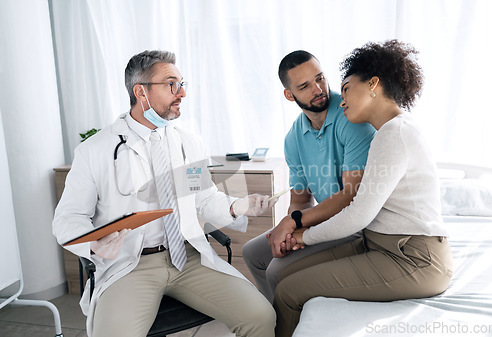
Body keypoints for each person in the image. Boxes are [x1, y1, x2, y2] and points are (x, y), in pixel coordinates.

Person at [52, 50, 277, 337]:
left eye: (183, 84)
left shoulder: (188, 144)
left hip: (188, 257)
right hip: (131, 265)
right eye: (172, 84)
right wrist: (95, 243)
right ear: (141, 92)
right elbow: (67, 219)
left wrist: (238, 207)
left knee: (260, 316)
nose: (182, 92)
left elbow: (203, 199)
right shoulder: (95, 151)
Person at [273, 40, 454, 337]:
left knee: (289, 291)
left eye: (345, 89)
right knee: (284, 274)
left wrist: (301, 235)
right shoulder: (389, 132)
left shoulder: (395, 134)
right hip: (379, 243)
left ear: (373, 84)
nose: (339, 100)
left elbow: (357, 213)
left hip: (414, 258)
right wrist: (298, 232)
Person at [242, 50, 376, 302]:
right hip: (324, 221)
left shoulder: (352, 117)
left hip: (356, 225)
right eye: (304, 86)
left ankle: (287, 325)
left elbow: (351, 195)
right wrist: (291, 233)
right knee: (252, 253)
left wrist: (294, 223)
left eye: (320, 78)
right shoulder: (293, 138)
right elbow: (301, 200)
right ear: (289, 94)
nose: (318, 89)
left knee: (277, 270)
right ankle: (274, 322)